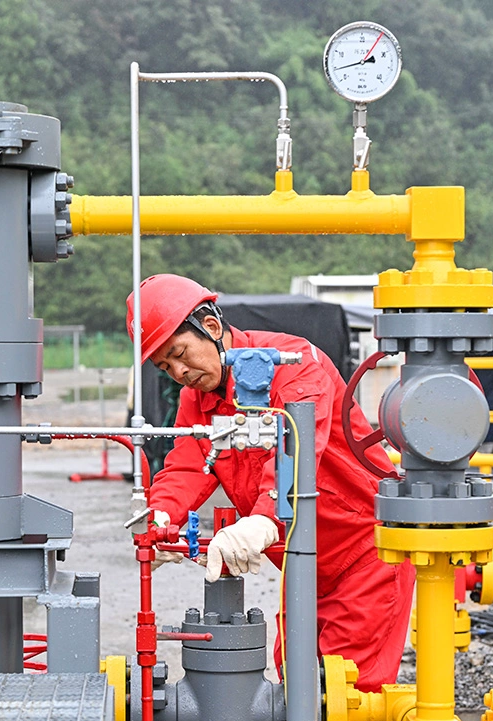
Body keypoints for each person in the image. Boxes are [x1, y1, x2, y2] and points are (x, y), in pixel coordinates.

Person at [126, 273, 414, 692]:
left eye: (180, 353)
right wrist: (161, 513)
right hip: (302, 563)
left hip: (365, 554)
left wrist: (262, 520)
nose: (180, 372)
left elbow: (298, 456)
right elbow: (189, 464)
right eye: (165, 367)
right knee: (293, 683)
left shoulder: (293, 366)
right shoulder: (200, 396)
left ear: (210, 326)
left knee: (348, 695)